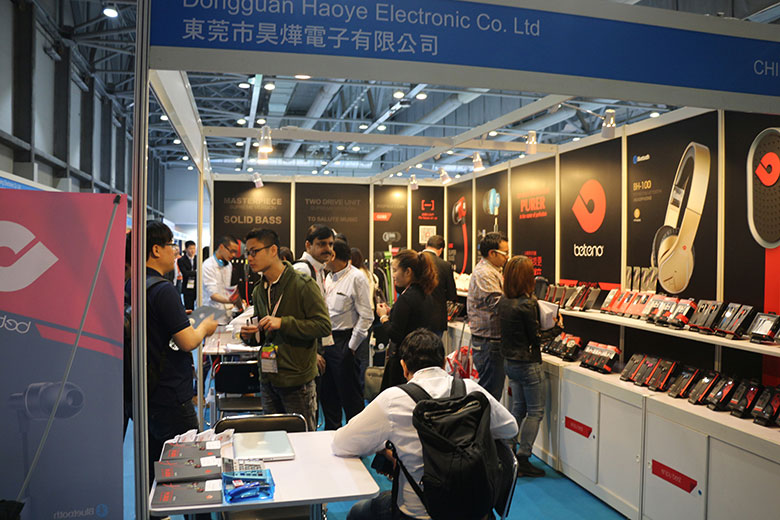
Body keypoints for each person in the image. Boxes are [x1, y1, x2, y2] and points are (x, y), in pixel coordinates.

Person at [332, 329, 517, 520]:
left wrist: (383, 447)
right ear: (444, 363)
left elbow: (341, 443)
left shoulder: (393, 399)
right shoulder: (471, 390)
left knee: (357, 512)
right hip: (474, 508)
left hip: (418, 513)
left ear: (404, 366)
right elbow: (510, 428)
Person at [134, 221, 218, 482]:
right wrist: (205, 327)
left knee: (154, 467)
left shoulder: (134, 284)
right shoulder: (164, 289)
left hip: (146, 393)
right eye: (172, 245)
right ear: (156, 249)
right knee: (189, 470)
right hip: (171, 394)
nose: (176, 252)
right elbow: (188, 342)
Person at [239, 228, 331, 431]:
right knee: (273, 439)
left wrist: (283, 323)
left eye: (254, 252)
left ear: (273, 250)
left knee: (303, 440)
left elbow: (323, 326)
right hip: (268, 377)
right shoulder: (259, 290)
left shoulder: (303, 285)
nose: (250, 258)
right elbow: (264, 334)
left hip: (297, 381)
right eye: (247, 253)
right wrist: (249, 336)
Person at [498, 255, 548, 477]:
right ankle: (524, 457)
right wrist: (557, 328)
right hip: (528, 364)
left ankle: (509, 451)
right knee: (535, 411)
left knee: (518, 408)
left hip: (510, 362)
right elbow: (536, 338)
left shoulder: (503, 302)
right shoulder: (528, 304)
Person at [321, 239, 373, 429]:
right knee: (327, 394)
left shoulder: (357, 278)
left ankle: (358, 436)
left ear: (334, 255)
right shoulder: (327, 277)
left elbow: (367, 315)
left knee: (350, 396)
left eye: (326, 253)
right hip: (325, 340)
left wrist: (351, 346)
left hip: (344, 340)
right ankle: (331, 434)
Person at [375, 250, 438, 391]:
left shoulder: (406, 298)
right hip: (418, 356)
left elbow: (395, 334)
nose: (393, 275)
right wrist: (393, 312)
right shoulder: (425, 294)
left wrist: (383, 317)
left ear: (408, 272)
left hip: (403, 360)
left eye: (395, 270)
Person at [467, 232, 509, 401]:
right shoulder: (485, 273)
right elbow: (498, 304)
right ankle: (485, 420)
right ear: (492, 253)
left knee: (491, 392)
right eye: (505, 253)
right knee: (490, 395)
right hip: (489, 342)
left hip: (490, 341)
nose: (507, 257)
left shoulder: (492, 271)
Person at [350, 247, 377, 390]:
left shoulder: (356, 275)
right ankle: (363, 386)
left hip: (360, 318)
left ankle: (359, 385)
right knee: (364, 355)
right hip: (370, 316)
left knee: (358, 355)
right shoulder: (368, 274)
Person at [421, 235, 457, 336]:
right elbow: (451, 295)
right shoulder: (445, 265)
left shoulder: (414, 260)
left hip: (416, 317)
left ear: (426, 245)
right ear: (441, 250)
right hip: (436, 319)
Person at [202, 235, 241, 313]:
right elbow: (212, 295)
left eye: (235, 252)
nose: (233, 255)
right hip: (210, 311)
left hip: (225, 311)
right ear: (221, 247)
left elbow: (226, 289)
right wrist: (232, 301)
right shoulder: (208, 265)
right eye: (231, 251)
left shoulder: (228, 265)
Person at [293, 224, 335, 296]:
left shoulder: (319, 269)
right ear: (308, 245)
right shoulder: (302, 270)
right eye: (322, 244)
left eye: (330, 244)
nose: (328, 249)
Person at [178, 240, 197, 311]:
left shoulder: (198, 258)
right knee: (189, 307)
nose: (192, 250)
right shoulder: (181, 260)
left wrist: (192, 272)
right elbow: (185, 273)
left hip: (197, 286)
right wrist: (196, 272)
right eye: (190, 248)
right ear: (186, 249)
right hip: (187, 287)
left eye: (194, 248)